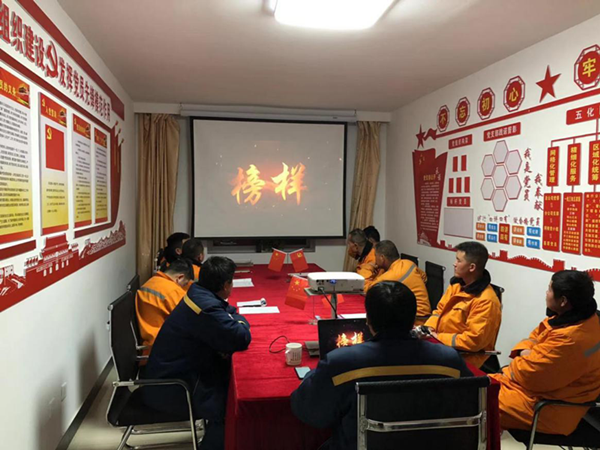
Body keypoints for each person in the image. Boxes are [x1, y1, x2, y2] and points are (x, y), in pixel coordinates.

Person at [291, 281, 471, 450]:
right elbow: (470, 407)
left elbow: (310, 412)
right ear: (415, 319)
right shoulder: (449, 361)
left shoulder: (340, 364)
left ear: (368, 320)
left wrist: (310, 376)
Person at [141, 256, 251, 450]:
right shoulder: (205, 307)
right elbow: (240, 337)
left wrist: (234, 318)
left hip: (178, 373)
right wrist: (241, 321)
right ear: (226, 285)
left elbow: (228, 310)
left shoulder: (197, 292)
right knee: (229, 404)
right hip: (173, 387)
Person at [490, 270, 600, 435]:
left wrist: (522, 356)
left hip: (551, 408)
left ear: (563, 301)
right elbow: (534, 337)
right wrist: (527, 354)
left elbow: (530, 376)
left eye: (549, 289)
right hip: (540, 393)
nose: (546, 293)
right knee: (476, 390)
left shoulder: (571, 338)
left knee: (476, 402)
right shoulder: (576, 318)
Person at [423, 241, 501, 368]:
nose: (454, 264)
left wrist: (439, 338)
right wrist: (428, 329)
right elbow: (439, 311)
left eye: (459, 261)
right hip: (442, 345)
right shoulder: (457, 286)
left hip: (464, 357)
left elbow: (473, 340)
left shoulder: (486, 300)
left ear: (472, 267)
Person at [364, 240, 431, 325]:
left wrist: (367, 268)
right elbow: (424, 277)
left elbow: (368, 290)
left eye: (375, 256)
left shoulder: (391, 275)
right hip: (424, 315)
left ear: (382, 258)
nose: (374, 260)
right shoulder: (409, 263)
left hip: (415, 319)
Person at [135, 258, 193, 353]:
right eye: (185, 284)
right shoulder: (173, 291)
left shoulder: (150, 282)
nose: (184, 287)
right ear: (179, 277)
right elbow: (189, 320)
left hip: (149, 344)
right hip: (165, 346)